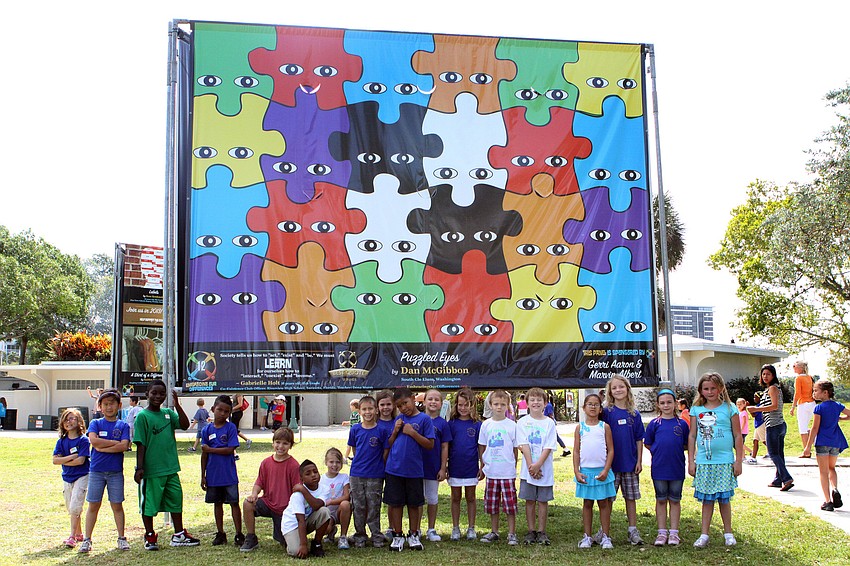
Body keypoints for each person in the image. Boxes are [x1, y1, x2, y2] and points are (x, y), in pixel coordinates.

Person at [133, 379, 199, 550]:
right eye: (154, 393)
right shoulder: (142, 416)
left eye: (162, 393)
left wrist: (177, 405)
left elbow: (184, 425)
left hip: (170, 467)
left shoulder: (168, 413)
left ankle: (179, 535)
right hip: (152, 471)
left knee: (176, 500)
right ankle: (150, 536)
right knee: (149, 504)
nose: (158, 396)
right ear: (147, 394)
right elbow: (141, 443)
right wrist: (139, 468)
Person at [688, 372, 744, 548]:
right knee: (707, 500)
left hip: (725, 461)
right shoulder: (696, 410)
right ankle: (704, 534)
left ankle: (728, 533)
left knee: (724, 499)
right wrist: (691, 461)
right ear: (701, 390)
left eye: (713, 388)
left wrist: (738, 461)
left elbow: (737, 435)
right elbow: (692, 436)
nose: (710, 392)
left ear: (720, 388)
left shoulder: (730, 408)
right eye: (706, 388)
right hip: (704, 462)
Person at [80, 388, 131, 553]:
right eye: (106, 404)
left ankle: (121, 538)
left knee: (117, 505)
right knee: (93, 505)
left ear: (119, 406)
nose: (109, 407)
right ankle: (87, 539)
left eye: (112, 404)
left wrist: (104, 447)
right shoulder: (95, 423)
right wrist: (114, 444)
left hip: (115, 472)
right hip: (97, 471)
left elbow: (124, 445)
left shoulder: (123, 425)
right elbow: (94, 441)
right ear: (100, 406)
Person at [385, 387, 435, 551]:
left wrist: (413, 433)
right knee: (396, 503)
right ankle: (398, 535)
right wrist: (395, 430)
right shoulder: (398, 419)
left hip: (414, 470)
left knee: (414, 504)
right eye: (399, 406)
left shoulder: (424, 419)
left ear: (413, 398)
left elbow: (430, 444)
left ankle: (414, 534)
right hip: (394, 469)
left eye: (405, 403)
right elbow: (389, 443)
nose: (403, 408)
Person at [599, 374, 645, 545]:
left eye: (621, 386)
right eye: (614, 387)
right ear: (610, 391)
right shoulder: (606, 413)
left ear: (627, 389)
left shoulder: (634, 414)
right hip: (610, 465)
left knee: (630, 498)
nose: (618, 390)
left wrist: (639, 461)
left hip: (630, 464)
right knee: (608, 499)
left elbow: (639, 439)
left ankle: (632, 530)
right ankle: (604, 532)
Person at [240, 426, 301, 551]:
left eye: (285, 443)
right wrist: (254, 494)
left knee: (286, 544)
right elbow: (259, 482)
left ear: (291, 445)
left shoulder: (294, 465)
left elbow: (297, 489)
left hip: (285, 509)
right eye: (278, 442)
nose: (281, 446)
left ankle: (288, 535)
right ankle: (251, 537)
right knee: (247, 504)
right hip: (268, 503)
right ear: (273, 443)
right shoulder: (266, 463)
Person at [644, 389, 689, 547]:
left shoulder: (682, 424)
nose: (666, 405)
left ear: (675, 403)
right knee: (661, 499)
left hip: (676, 468)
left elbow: (686, 444)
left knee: (675, 500)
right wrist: (658, 451)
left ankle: (674, 533)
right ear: (658, 405)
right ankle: (662, 532)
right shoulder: (654, 424)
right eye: (662, 403)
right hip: (659, 469)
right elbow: (648, 443)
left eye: (669, 402)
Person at [200, 395, 244, 546]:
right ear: (213, 409)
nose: (222, 414)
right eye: (219, 410)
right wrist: (203, 475)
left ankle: (239, 533)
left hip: (229, 475)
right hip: (213, 475)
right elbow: (204, 454)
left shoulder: (230, 428)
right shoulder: (206, 430)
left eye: (226, 411)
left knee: (234, 503)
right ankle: (220, 533)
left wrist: (211, 449)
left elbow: (230, 449)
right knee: (217, 503)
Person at [347, 395, 390, 548]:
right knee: (358, 506)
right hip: (357, 474)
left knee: (374, 505)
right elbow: (354, 449)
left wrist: (377, 465)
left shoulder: (382, 430)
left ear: (376, 410)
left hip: (375, 474)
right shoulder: (355, 429)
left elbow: (385, 451)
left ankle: (376, 535)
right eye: (364, 409)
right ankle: (360, 535)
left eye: (370, 408)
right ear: (359, 411)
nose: (367, 412)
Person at [573, 393, 615, 549]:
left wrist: (606, 470)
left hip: (601, 472)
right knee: (587, 503)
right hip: (585, 472)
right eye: (589, 404)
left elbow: (611, 450)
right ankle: (587, 536)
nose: (593, 407)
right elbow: (576, 451)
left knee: (604, 503)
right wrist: (577, 471)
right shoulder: (580, 428)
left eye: (596, 404)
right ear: (584, 408)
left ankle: (606, 536)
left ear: (600, 409)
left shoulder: (604, 427)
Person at [477, 389, 519, 545]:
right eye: (496, 404)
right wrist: (483, 465)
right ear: (490, 405)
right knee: (492, 504)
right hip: (492, 471)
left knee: (510, 504)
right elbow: (482, 446)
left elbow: (515, 448)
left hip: (507, 472)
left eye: (502, 404)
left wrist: (514, 464)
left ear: (508, 405)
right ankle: (494, 531)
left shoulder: (512, 425)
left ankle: (512, 533)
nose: (499, 407)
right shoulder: (486, 425)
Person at [517, 387, 557, 545]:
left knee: (542, 501)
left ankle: (541, 531)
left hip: (544, 470)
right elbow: (523, 444)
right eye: (532, 400)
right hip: (528, 471)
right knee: (530, 500)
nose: (535, 403)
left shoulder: (549, 423)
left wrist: (538, 464)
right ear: (526, 403)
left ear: (545, 403)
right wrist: (531, 466)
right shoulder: (522, 422)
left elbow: (549, 446)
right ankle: (531, 530)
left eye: (539, 400)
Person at [803, 379, 850, 511]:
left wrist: (807, 447)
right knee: (831, 468)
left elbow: (815, 428)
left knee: (823, 472)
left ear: (825, 392)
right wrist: (839, 418)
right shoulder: (837, 405)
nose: (814, 393)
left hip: (822, 442)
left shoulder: (819, 408)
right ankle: (835, 489)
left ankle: (828, 501)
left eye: (816, 390)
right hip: (835, 442)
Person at [748, 364, 793, 491]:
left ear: (773, 375)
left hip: (774, 425)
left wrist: (756, 409)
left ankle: (786, 478)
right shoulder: (771, 389)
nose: (765, 376)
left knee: (773, 453)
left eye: (768, 374)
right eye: (763, 374)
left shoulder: (773, 388)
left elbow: (774, 406)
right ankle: (778, 479)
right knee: (779, 454)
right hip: (778, 424)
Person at [447, 387, 481, 541]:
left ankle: (471, 527)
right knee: (455, 497)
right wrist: (445, 465)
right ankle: (455, 528)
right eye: (460, 405)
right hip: (455, 466)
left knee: (471, 497)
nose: (463, 408)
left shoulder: (477, 425)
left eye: (466, 405)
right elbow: (447, 446)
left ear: (472, 405)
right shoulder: (451, 424)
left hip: (471, 466)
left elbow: (480, 446)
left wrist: (482, 465)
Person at [53, 408, 90, 548]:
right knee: (71, 507)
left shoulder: (83, 440)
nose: (69, 422)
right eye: (66, 420)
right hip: (67, 477)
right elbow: (55, 460)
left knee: (75, 506)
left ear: (79, 421)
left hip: (82, 476)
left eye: (72, 419)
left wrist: (63, 460)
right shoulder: (61, 442)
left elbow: (80, 461)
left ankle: (72, 536)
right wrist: (71, 457)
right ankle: (79, 533)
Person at [280, 460, 333, 558]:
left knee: (324, 511)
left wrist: (303, 490)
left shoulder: (324, 489)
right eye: (308, 474)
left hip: (307, 521)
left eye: (315, 471)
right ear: (301, 478)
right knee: (296, 552)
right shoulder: (297, 495)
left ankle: (316, 543)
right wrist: (303, 545)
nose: (313, 475)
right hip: (292, 525)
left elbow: (317, 505)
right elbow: (300, 520)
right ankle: (289, 540)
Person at [421, 389, 452, 542]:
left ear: (441, 404)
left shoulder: (443, 424)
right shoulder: (418, 419)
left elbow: (445, 446)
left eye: (436, 400)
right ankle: (415, 529)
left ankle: (431, 529)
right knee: (417, 499)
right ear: (424, 401)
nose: (433, 402)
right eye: (430, 399)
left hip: (434, 467)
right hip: (417, 467)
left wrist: (443, 467)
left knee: (432, 498)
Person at [319, 447, 352, 549]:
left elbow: (346, 496)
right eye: (331, 462)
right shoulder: (321, 479)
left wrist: (331, 501)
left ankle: (343, 537)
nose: (334, 465)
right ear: (326, 462)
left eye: (338, 462)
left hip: (340, 511)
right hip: (327, 512)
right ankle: (331, 532)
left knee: (346, 504)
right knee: (325, 529)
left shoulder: (344, 477)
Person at [790, 360, 816, 458]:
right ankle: (813, 445)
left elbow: (797, 393)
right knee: (812, 426)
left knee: (803, 428)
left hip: (803, 404)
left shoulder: (798, 378)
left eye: (795, 366)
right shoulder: (810, 377)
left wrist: (793, 406)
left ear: (800, 368)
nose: (793, 368)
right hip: (812, 403)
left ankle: (806, 451)